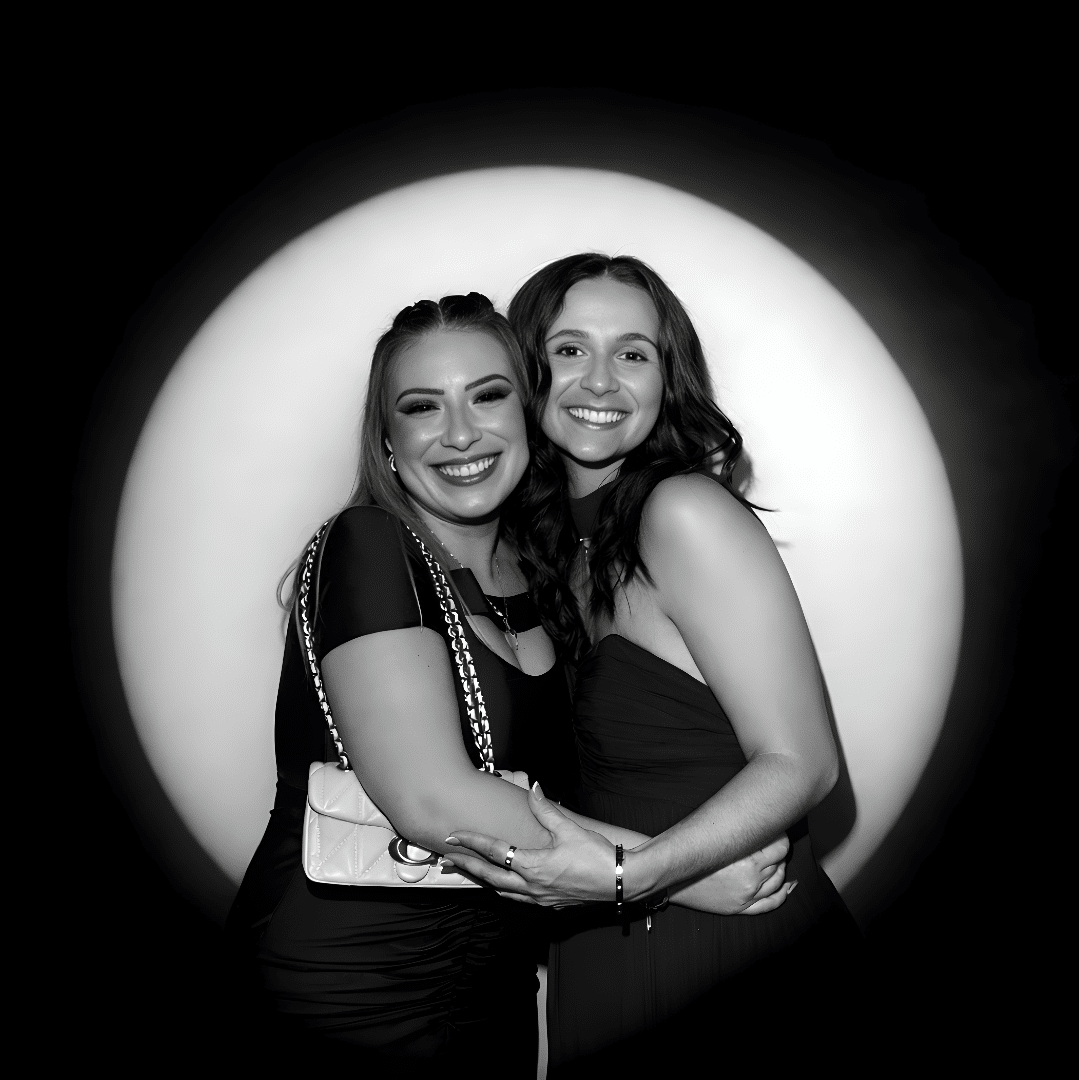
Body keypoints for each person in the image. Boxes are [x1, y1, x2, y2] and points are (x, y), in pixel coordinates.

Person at [226, 291, 790, 1067]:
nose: (461, 433)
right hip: (346, 978)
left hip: (493, 980)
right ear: (387, 442)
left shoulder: (539, 571)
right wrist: (675, 873)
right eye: (423, 407)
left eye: (488, 396)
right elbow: (435, 800)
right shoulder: (369, 544)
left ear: (528, 413)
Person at [441, 256, 863, 1073]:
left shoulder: (685, 512)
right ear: (527, 366)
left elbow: (804, 762)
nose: (600, 379)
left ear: (667, 380)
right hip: (610, 941)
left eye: (633, 353)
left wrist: (638, 877)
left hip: (733, 935)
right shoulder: (550, 550)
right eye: (569, 349)